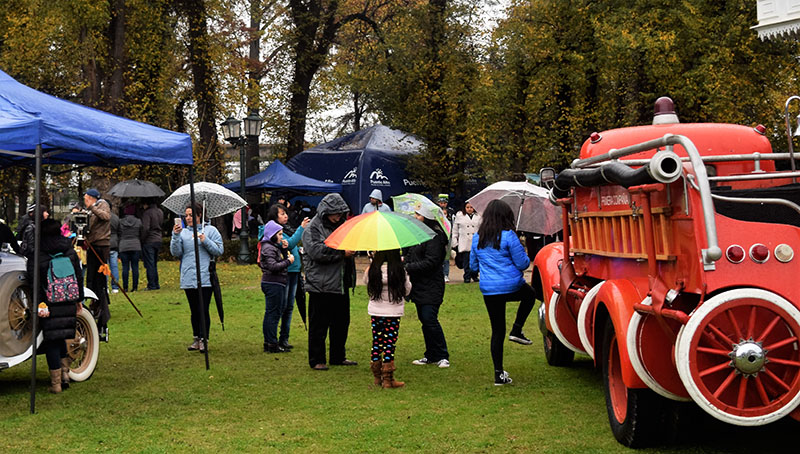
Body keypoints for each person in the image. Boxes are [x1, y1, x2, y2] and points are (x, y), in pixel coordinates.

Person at [470, 199, 536, 386]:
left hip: (490, 289)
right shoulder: (509, 236)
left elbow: (473, 266)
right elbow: (523, 264)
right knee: (530, 295)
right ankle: (517, 329)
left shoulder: (477, 238)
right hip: (512, 285)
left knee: (497, 330)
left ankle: (498, 373)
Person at [27, 218, 83, 393]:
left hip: (48, 301)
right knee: (63, 336)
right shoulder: (68, 249)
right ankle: (65, 374)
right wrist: (79, 298)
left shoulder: (38, 254)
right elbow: (78, 275)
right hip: (68, 299)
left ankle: (56, 384)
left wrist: (38, 304)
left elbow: (33, 281)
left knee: (52, 340)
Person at [302, 193, 357, 370]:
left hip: (340, 283)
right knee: (319, 325)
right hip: (321, 285)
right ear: (326, 212)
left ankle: (338, 356)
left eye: (340, 213)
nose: (338, 216)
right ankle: (317, 359)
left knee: (341, 323)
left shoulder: (341, 225)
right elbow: (317, 251)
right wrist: (342, 253)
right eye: (335, 213)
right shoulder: (312, 228)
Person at [171, 204, 223, 352]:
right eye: (186, 215)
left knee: (203, 309)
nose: (188, 218)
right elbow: (176, 252)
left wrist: (204, 240)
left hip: (205, 276)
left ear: (199, 215)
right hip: (189, 276)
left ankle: (204, 338)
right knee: (194, 310)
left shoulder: (210, 230)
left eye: (191, 215)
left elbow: (219, 250)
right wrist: (175, 236)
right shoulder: (183, 233)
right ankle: (196, 338)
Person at [406, 204, 450, 368]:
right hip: (419, 285)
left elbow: (432, 262)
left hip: (431, 285)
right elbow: (411, 255)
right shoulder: (417, 235)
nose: (415, 217)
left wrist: (409, 267)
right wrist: (406, 262)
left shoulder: (435, 237)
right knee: (424, 320)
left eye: (418, 214)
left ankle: (442, 354)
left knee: (430, 319)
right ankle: (430, 354)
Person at [365, 249, 411, 388]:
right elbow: (407, 289)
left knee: (377, 342)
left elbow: (367, 283)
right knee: (389, 343)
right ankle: (388, 378)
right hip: (393, 311)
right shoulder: (399, 271)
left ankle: (377, 377)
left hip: (376, 311)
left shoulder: (372, 270)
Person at [267, 203, 310, 351]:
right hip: (285, 272)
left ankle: (284, 338)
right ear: (274, 216)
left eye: (285, 213)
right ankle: (274, 340)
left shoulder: (287, 229)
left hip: (295, 271)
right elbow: (288, 244)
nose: (285, 216)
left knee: (290, 306)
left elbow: (292, 244)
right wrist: (301, 228)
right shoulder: (273, 231)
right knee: (282, 306)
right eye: (281, 214)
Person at [259, 220, 295, 353]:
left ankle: (269, 342)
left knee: (272, 313)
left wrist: (284, 250)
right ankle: (272, 343)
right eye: (279, 234)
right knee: (273, 314)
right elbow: (273, 266)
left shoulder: (273, 247)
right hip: (273, 283)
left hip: (276, 282)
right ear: (272, 234)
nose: (281, 237)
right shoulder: (269, 247)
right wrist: (288, 261)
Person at [83, 188, 112, 342]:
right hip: (92, 245)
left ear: (92, 198)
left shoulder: (102, 205)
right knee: (91, 280)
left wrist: (91, 208)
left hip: (101, 246)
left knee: (99, 281)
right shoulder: (90, 209)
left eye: (86, 198)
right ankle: (94, 305)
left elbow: (106, 217)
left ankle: (102, 310)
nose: (85, 201)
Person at [452, 201, 482, 283]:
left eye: (471, 207)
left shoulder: (479, 216)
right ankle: (467, 276)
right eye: (467, 207)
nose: (469, 209)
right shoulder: (460, 216)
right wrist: (455, 241)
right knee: (466, 261)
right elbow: (455, 230)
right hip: (464, 242)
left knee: (476, 260)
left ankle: (475, 275)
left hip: (475, 241)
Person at [141, 198, 164, 291]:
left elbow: (145, 228)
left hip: (150, 239)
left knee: (150, 263)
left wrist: (142, 239)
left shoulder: (147, 213)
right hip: (158, 238)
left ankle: (152, 284)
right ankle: (156, 283)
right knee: (154, 263)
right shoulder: (160, 211)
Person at [119, 204, 143, 292]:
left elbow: (119, 233)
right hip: (135, 245)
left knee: (125, 267)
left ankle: (125, 287)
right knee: (135, 267)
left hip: (124, 245)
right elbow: (141, 232)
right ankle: (135, 286)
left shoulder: (121, 222)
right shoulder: (138, 221)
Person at [436, 194, 454, 282]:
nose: (442, 204)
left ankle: (446, 274)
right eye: (441, 203)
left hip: (448, 237)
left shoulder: (451, 212)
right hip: (438, 238)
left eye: (444, 203)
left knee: (446, 258)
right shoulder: (435, 212)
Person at [109, 209, 121, 293]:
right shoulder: (116, 218)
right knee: (114, 266)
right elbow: (120, 231)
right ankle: (115, 287)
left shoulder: (101, 217)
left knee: (104, 266)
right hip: (114, 243)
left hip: (105, 243)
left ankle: (105, 286)